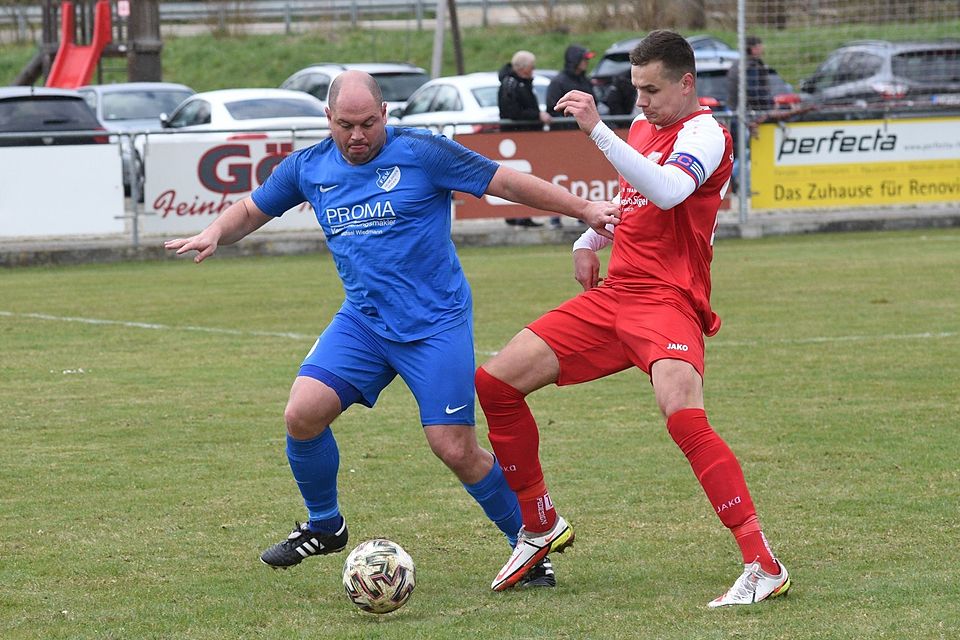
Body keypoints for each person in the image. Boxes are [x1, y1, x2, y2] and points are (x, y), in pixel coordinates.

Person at [164, 71, 619, 588]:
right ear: (327, 120)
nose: (357, 136)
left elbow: (505, 182)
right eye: (345, 125)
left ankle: (530, 543)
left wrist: (584, 208)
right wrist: (215, 232)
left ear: (384, 115)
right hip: (364, 321)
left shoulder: (423, 153)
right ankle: (325, 526)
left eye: (367, 124)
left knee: (455, 449)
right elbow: (252, 208)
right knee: (302, 415)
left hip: (435, 325)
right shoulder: (309, 166)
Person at [475, 30, 791, 607]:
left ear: (686, 83)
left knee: (683, 418)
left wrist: (597, 130)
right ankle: (539, 523)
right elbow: (634, 202)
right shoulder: (645, 127)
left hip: (668, 300)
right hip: (616, 294)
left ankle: (761, 563)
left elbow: (668, 191)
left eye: (651, 89)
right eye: (636, 89)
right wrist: (587, 236)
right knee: (495, 383)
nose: (640, 101)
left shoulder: (706, 133)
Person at [498, 50, 552, 228]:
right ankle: (516, 215)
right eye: (532, 67)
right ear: (522, 68)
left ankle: (523, 215)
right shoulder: (511, 84)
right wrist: (537, 115)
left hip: (526, 137)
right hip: (517, 137)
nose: (533, 71)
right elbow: (512, 112)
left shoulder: (522, 83)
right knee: (518, 178)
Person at [544, 44, 596, 228]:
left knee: (581, 176)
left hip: (582, 138)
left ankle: (582, 213)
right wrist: (571, 121)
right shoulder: (558, 82)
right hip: (563, 139)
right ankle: (555, 216)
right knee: (560, 177)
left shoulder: (586, 80)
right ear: (575, 60)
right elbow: (553, 108)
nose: (586, 63)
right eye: (584, 59)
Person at [725, 36, 774, 194]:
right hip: (745, 117)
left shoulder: (737, 64)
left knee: (740, 153)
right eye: (760, 46)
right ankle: (735, 183)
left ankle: (735, 184)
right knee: (746, 152)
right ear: (753, 49)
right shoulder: (751, 66)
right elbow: (754, 93)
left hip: (735, 114)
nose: (763, 49)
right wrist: (770, 105)